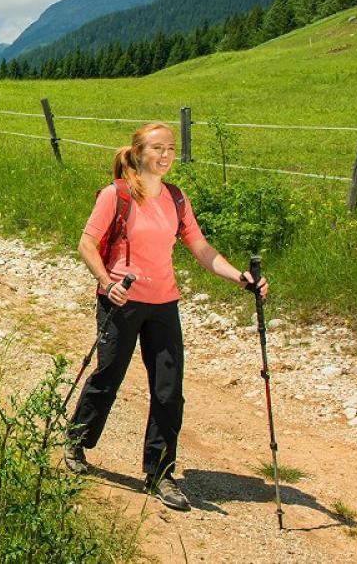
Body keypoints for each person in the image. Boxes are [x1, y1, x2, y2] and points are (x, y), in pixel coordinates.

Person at [62, 122, 269, 511]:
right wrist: (107, 284)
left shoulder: (176, 198)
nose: (166, 155)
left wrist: (240, 278)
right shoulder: (116, 195)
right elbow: (86, 244)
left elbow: (201, 248)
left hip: (163, 304)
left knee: (169, 390)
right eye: (158, 148)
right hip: (120, 302)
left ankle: (159, 473)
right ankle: (77, 442)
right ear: (138, 152)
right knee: (108, 376)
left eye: (171, 148)